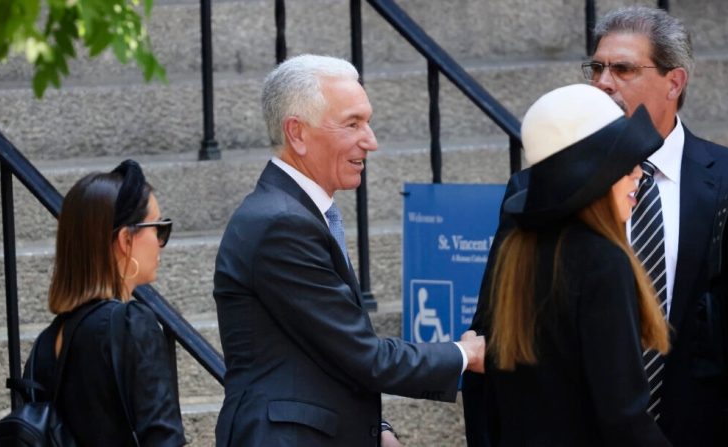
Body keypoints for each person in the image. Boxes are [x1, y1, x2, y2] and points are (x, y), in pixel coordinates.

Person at [464, 7, 728, 446]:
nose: (603, 82)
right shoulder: (534, 194)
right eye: (597, 67)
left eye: (623, 68)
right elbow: (496, 331)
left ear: (675, 82)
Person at [212, 54, 485, 447]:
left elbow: (323, 353)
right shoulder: (281, 224)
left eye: (367, 122)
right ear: (298, 134)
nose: (370, 141)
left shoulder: (293, 212)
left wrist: (378, 431)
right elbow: (361, 353)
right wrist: (465, 353)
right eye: (352, 124)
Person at [479, 83, 671, 445]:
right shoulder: (603, 262)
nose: (639, 173)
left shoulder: (519, 251)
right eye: (624, 162)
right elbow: (624, 417)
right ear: (594, 176)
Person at [25, 159, 185, 446]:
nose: (161, 242)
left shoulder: (46, 345)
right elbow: (163, 438)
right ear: (125, 239)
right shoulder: (132, 325)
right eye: (158, 228)